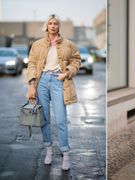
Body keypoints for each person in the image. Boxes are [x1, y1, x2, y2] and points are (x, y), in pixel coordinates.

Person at [26, 14, 81, 170]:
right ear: (46, 26)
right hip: (42, 81)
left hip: (58, 81)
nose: (53, 26)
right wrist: (31, 84)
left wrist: (67, 72)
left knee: (61, 119)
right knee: (44, 119)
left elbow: (77, 60)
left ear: (59, 26)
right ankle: (48, 150)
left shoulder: (68, 44)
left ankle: (65, 153)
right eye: (50, 23)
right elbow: (31, 64)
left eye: (55, 23)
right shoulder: (37, 45)